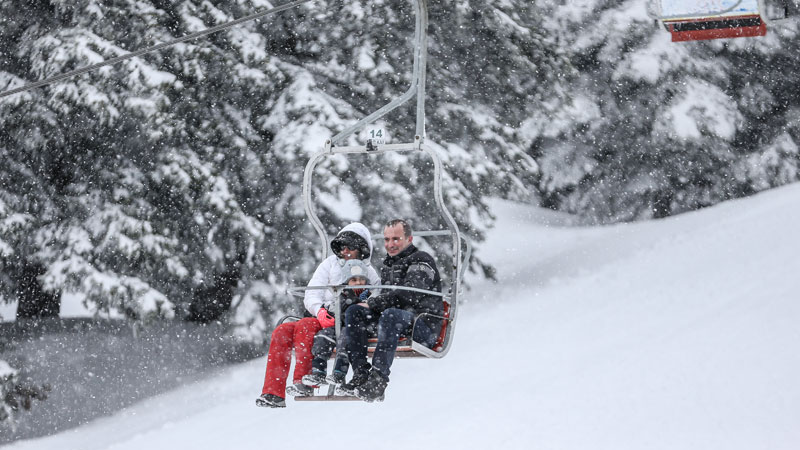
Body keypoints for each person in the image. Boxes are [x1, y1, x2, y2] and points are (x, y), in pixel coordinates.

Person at [256, 223, 379, 408]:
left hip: (343, 323)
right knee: (282, 331)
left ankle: (305, 382)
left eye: (350, 247)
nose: (345, 251)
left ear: (362, 249)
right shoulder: (329, 265)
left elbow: (375, 298)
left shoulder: (368, 273)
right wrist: (319, 310)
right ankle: (273, 393)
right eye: (342, 247)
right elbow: (312, 292)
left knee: (305, 325)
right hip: (321, 316)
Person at [340, 218, 443, 402]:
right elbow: (390, 299)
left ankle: (378, 379)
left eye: (396, 239)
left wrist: (374, 304)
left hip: (423, 325)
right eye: (387, 239)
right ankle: (361, 373)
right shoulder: (389, 265)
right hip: (397, 322)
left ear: (409, 239)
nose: (390, 244)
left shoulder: (421, 260)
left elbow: (409, 294)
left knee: (391, 314)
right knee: (354, 311)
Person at [300, 259, 373, 388]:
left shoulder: (369, 296)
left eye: (361, 279)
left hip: (357, 329)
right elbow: (335, 309)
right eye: (354, 280)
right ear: (347, 281)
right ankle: (318, 370)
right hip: (339, 325)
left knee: (345, 338)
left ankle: (339, 372)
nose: (358, 283)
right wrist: (329, 310)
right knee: (324, 335)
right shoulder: (342, 295)